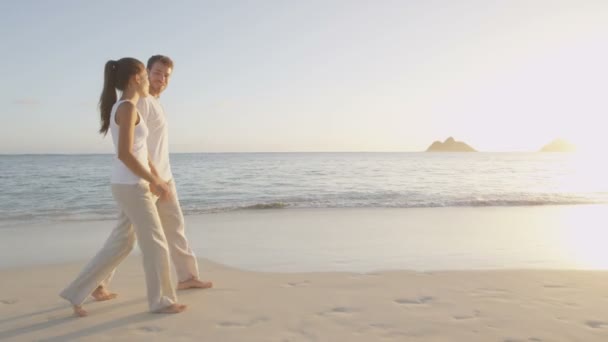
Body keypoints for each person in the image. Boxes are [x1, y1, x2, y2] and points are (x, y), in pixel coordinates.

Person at [59, 57, 186, 317]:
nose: (149, 81)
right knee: (155, 243)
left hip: (131, 184)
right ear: (135, 79)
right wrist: (154, 181)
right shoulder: (127, 107)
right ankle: (161, 301)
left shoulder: (132, 107)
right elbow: (125, 154)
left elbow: (141, 153)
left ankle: (79, 291)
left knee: (122, 243)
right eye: (145, 75)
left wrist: (157, 178)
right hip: (131, 186)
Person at [96, 55, 212, 293]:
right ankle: (98, 282)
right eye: (158, 73)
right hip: (147, 180)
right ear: (146, 73)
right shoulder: (140, 102)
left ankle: (188, 276)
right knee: (125, 237)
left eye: (167, 75)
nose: (162, 78)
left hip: (162, 177)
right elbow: (137, 147)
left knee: (174, 227)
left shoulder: (154, 102)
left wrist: (162, 178)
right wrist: (154, 179)